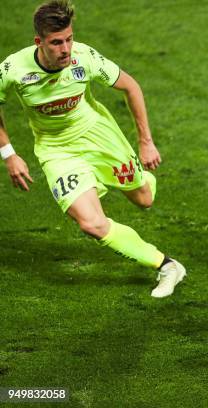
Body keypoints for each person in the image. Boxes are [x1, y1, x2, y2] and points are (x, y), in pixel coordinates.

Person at [0, 0, 185, 297]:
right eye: (56, 42)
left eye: (69, 39)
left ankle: (141, 180)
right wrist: (8, 153)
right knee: (91, 223)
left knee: (145, 200)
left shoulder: (84, 58)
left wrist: (146, 142)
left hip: (99, 136)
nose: (65, 49)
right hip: (56, 151)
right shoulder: (13, 69)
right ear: (39, 42)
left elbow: (130, 86)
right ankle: (167, 265)